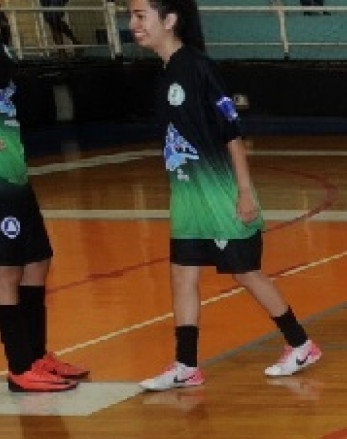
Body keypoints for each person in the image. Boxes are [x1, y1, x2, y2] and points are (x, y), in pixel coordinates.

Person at [128, 0, 322, 391]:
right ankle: (186, 365)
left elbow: (232, 134)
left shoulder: (198, 67)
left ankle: (301, 344)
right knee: (182, 274)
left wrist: (245, 192)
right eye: (131, 16)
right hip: (185, 194)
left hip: (219, 192)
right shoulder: (164, 75)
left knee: (246, 272)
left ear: (168, 20)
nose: (132, 24)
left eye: (140, 15)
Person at [0, 0, 88, 394]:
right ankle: (19, 367)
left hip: (9, 165)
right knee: (7, 267)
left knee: (38, 258)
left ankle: (36, 355)